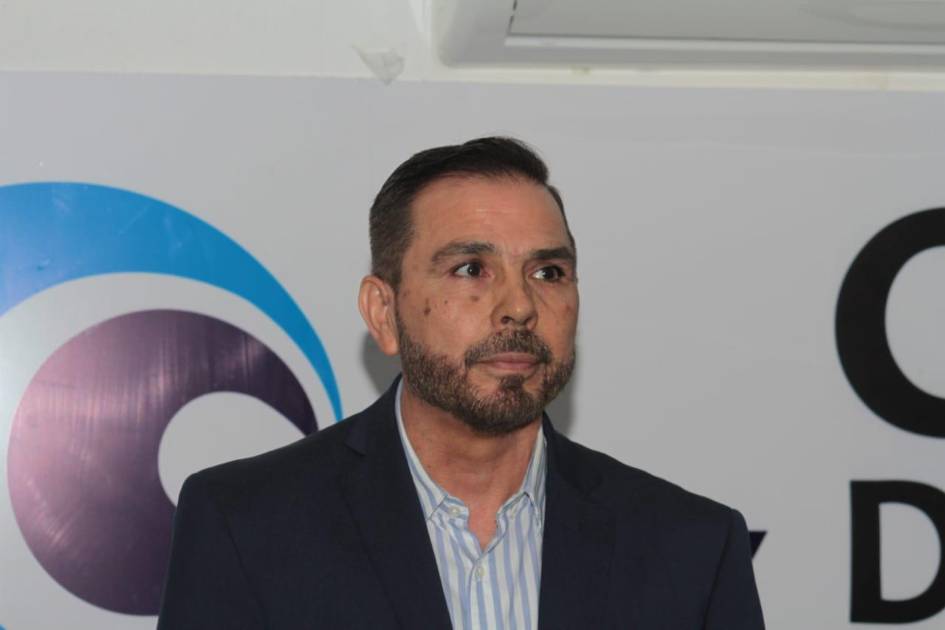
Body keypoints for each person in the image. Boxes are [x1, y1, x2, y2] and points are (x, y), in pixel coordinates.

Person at [157, 137, 765, 629]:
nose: (519, 306)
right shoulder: (246, 525)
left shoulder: (691, 547)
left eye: (548, 272)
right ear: (383, 312)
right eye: (472, 269)